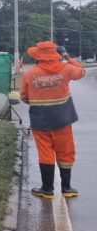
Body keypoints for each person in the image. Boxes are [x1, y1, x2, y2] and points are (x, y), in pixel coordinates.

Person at [21, 41, 85, 199]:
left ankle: (47, 189)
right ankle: (67, 188)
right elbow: (82, 71)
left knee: (45, 152)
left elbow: (24, 97)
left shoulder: (29, 74)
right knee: (66, 152)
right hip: (63, 119)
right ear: (56, 55)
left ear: (38, 56)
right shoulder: (67, 69)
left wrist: (38, 101)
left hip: (41, 120)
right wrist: (67, 57)